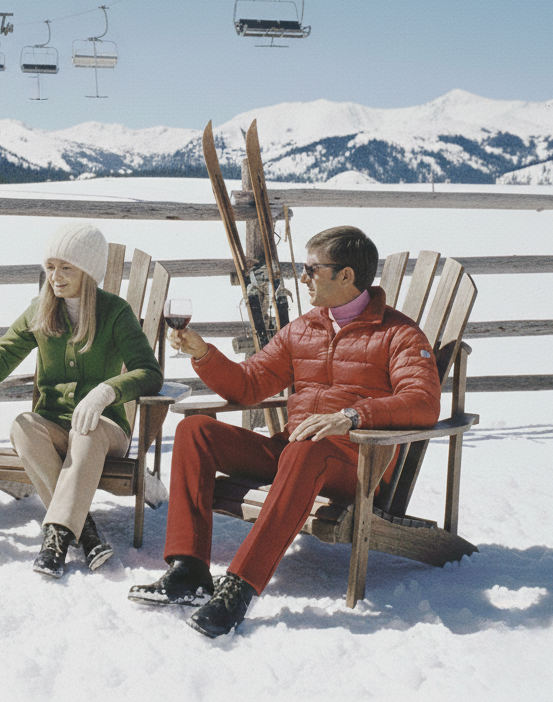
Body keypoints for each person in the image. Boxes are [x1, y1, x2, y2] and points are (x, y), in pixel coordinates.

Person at [129, 226, 441, 638]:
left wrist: (352, 415)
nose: (303, 277)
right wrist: (204, 353)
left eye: (312, 269)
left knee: (304, 450)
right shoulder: (303, 329)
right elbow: (249, 384)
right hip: (294, 455)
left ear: (346, 276)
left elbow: (423, 400)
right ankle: (188, 570)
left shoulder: (398, 334)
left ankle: (239, 587)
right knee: (195, 430)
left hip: (356, 463)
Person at [0, 222, 163, 577]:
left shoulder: (115, 312)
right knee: (22, 426)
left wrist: (106, 392)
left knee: (86, 431)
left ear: (88, 272)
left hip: (105, 432)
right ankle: (85, 532)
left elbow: (150, 372)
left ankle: (55, 539)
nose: (55, 277)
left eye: (66, 268)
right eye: (50, 267)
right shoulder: (39, 310)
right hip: (54, 429)